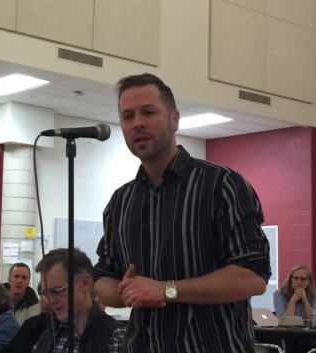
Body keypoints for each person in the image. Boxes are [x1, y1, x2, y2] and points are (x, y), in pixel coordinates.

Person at [93, 73, 271, 353]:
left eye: (148, 112)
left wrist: (167, 290)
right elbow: (102, 278)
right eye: (127, 116)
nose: (137, 123)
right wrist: (124, 291)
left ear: (175, 119)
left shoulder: (222, 185)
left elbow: (254, 275)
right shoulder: (121, 201)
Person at [33, 248, 126, 353]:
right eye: (46, 294)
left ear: (84, 283)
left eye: (57, 291)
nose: (50, 301)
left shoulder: (114, 338)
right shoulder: (48, 337)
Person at [273, 263, 316, 353]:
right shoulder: (279, 294)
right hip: (286, 337)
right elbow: (284, 322)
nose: (299, 281)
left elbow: (314, 321)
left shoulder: (314, 295)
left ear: (308, 282)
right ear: (291, 280)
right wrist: (293, 300)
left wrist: (305, 301)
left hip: (307, 337)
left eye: (303, 279)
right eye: (295, 278)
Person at [2, 283, 53, 353]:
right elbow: (11, 349)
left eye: (48, 295)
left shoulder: (63, 328)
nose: (43, 300)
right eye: (41, 295)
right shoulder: (31, 323)